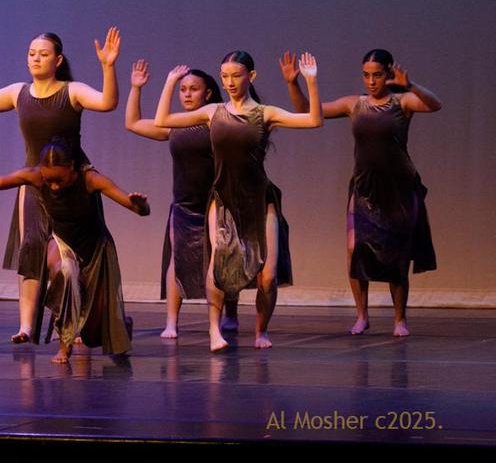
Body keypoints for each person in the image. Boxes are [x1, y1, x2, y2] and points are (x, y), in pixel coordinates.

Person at [0, 27, 120, 342]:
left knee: (78, 254)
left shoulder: (72, 91)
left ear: (58, 60)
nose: (36, 59)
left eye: (43, 54)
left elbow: (107, 103)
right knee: (31, 248)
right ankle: (26, 325)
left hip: (73, 186)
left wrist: (108, 66)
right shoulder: (19, 92)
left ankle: (80, 323)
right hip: (35, 183)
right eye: (31, 54)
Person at [154, 51, 322, 351]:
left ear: (251, 76)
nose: (230, 82)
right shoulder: (213, 112)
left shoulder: (265, 113)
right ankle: (214, 330)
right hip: (222, 201)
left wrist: (310, 81)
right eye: (225, 77)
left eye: (236, 75)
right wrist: (169, 83)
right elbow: (162, 120)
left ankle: (261, 331)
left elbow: (313, 120)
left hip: (260, 201)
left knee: (268, 277)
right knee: (217, 268)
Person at [0, 141, 148, 362]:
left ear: (72, 168)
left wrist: (140, 204)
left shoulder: (90, 179)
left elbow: (138, 209)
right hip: (62, 242)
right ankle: (65, 346)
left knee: (93, 332)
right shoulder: (35, 176)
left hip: (95, 248)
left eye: (59, 180)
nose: (54, 187)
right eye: (49, 180)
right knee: (65, 273)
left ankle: (121, 323)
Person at [279, 49, 440, 336]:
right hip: (364, 189)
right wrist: (293, 83)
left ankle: (400, 319)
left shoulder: (402, 102)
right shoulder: (354, 104)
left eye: (377, 75)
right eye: (366, 75)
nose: (371, 81)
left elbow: (434, 104)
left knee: (396, 255)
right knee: (356, 251)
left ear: (388, 74)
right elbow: (306, 109)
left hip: (398, 191)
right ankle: (362, 315)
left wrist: (410, 84)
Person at [125, 60, 239, 338]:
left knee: (222, 259)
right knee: (177, 260)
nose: (187, 94)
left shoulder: (217, 120)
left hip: (216, 201)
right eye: (183, 89)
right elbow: (132, 123)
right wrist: (137, 88)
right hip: (185, 204)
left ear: (207, 93)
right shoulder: (173, 125)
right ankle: (171, 323)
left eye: (193, 89)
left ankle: (230, 314)